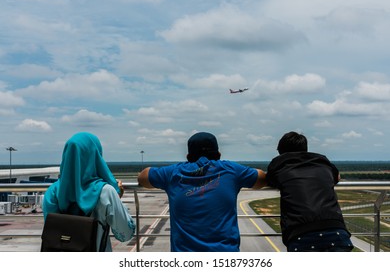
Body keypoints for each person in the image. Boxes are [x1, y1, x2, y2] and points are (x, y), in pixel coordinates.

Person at [138, 131, 266, 252]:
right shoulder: (232, 170)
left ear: (188, 156)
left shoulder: (173, 173)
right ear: (219, 155)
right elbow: (261, 178)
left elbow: (143, 177)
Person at [43, 132, 136, 251]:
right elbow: (125, 234)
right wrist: (118, 199)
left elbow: (53, 232)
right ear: (96, 156)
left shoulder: (51, 193)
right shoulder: (106, 192)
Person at [266, 131, 354, 252]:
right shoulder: (322, 161)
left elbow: (268, 180)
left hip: (301, 235)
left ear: (281, 152)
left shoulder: (278, 164)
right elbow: (337, 177)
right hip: (337, 231)